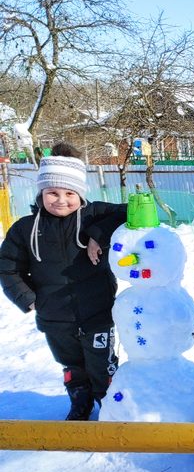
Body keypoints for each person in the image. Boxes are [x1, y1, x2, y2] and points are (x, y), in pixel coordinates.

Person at [0, 143, 127, 420]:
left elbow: (132, 211)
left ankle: (110, 407)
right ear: (41, 193)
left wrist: (98, 233)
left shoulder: (93, 214)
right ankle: (80, 401)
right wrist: (27, 298)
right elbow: (7, 267)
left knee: (101, 364)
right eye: (52, 193)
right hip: (54, 315)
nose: (61, 200)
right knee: (71, 364)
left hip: (98, 312)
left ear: (80, 193)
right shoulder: (25, 229)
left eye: (69, 193)